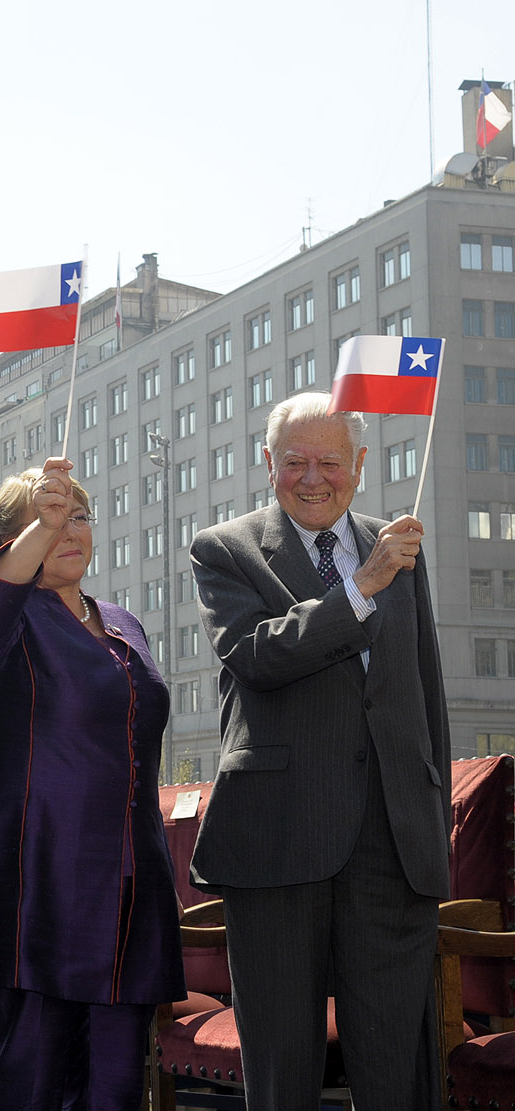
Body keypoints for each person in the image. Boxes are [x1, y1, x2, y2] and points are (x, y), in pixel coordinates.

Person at [189, 393, 450, 1110]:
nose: (313, 477)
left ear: (359, 466)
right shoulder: (225, 548)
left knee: (397, 1065)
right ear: (266, 463)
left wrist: (432, 820)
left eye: (330, 461)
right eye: (294, 460)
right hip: (278, 839)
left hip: (391, 845)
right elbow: (255, 654)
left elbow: (423, 694)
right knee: (281, 1066)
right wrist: (361, 588)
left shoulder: (398, 546)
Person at [0, 458, 183, 1110]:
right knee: (31, 1075)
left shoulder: (123, 621)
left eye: (77, 513)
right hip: (39, 884)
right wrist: (33, 536)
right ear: (12, 542)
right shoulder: (5, 617)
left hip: (131, 890)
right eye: (48, 518)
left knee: (115, 1084)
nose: (68, 528)